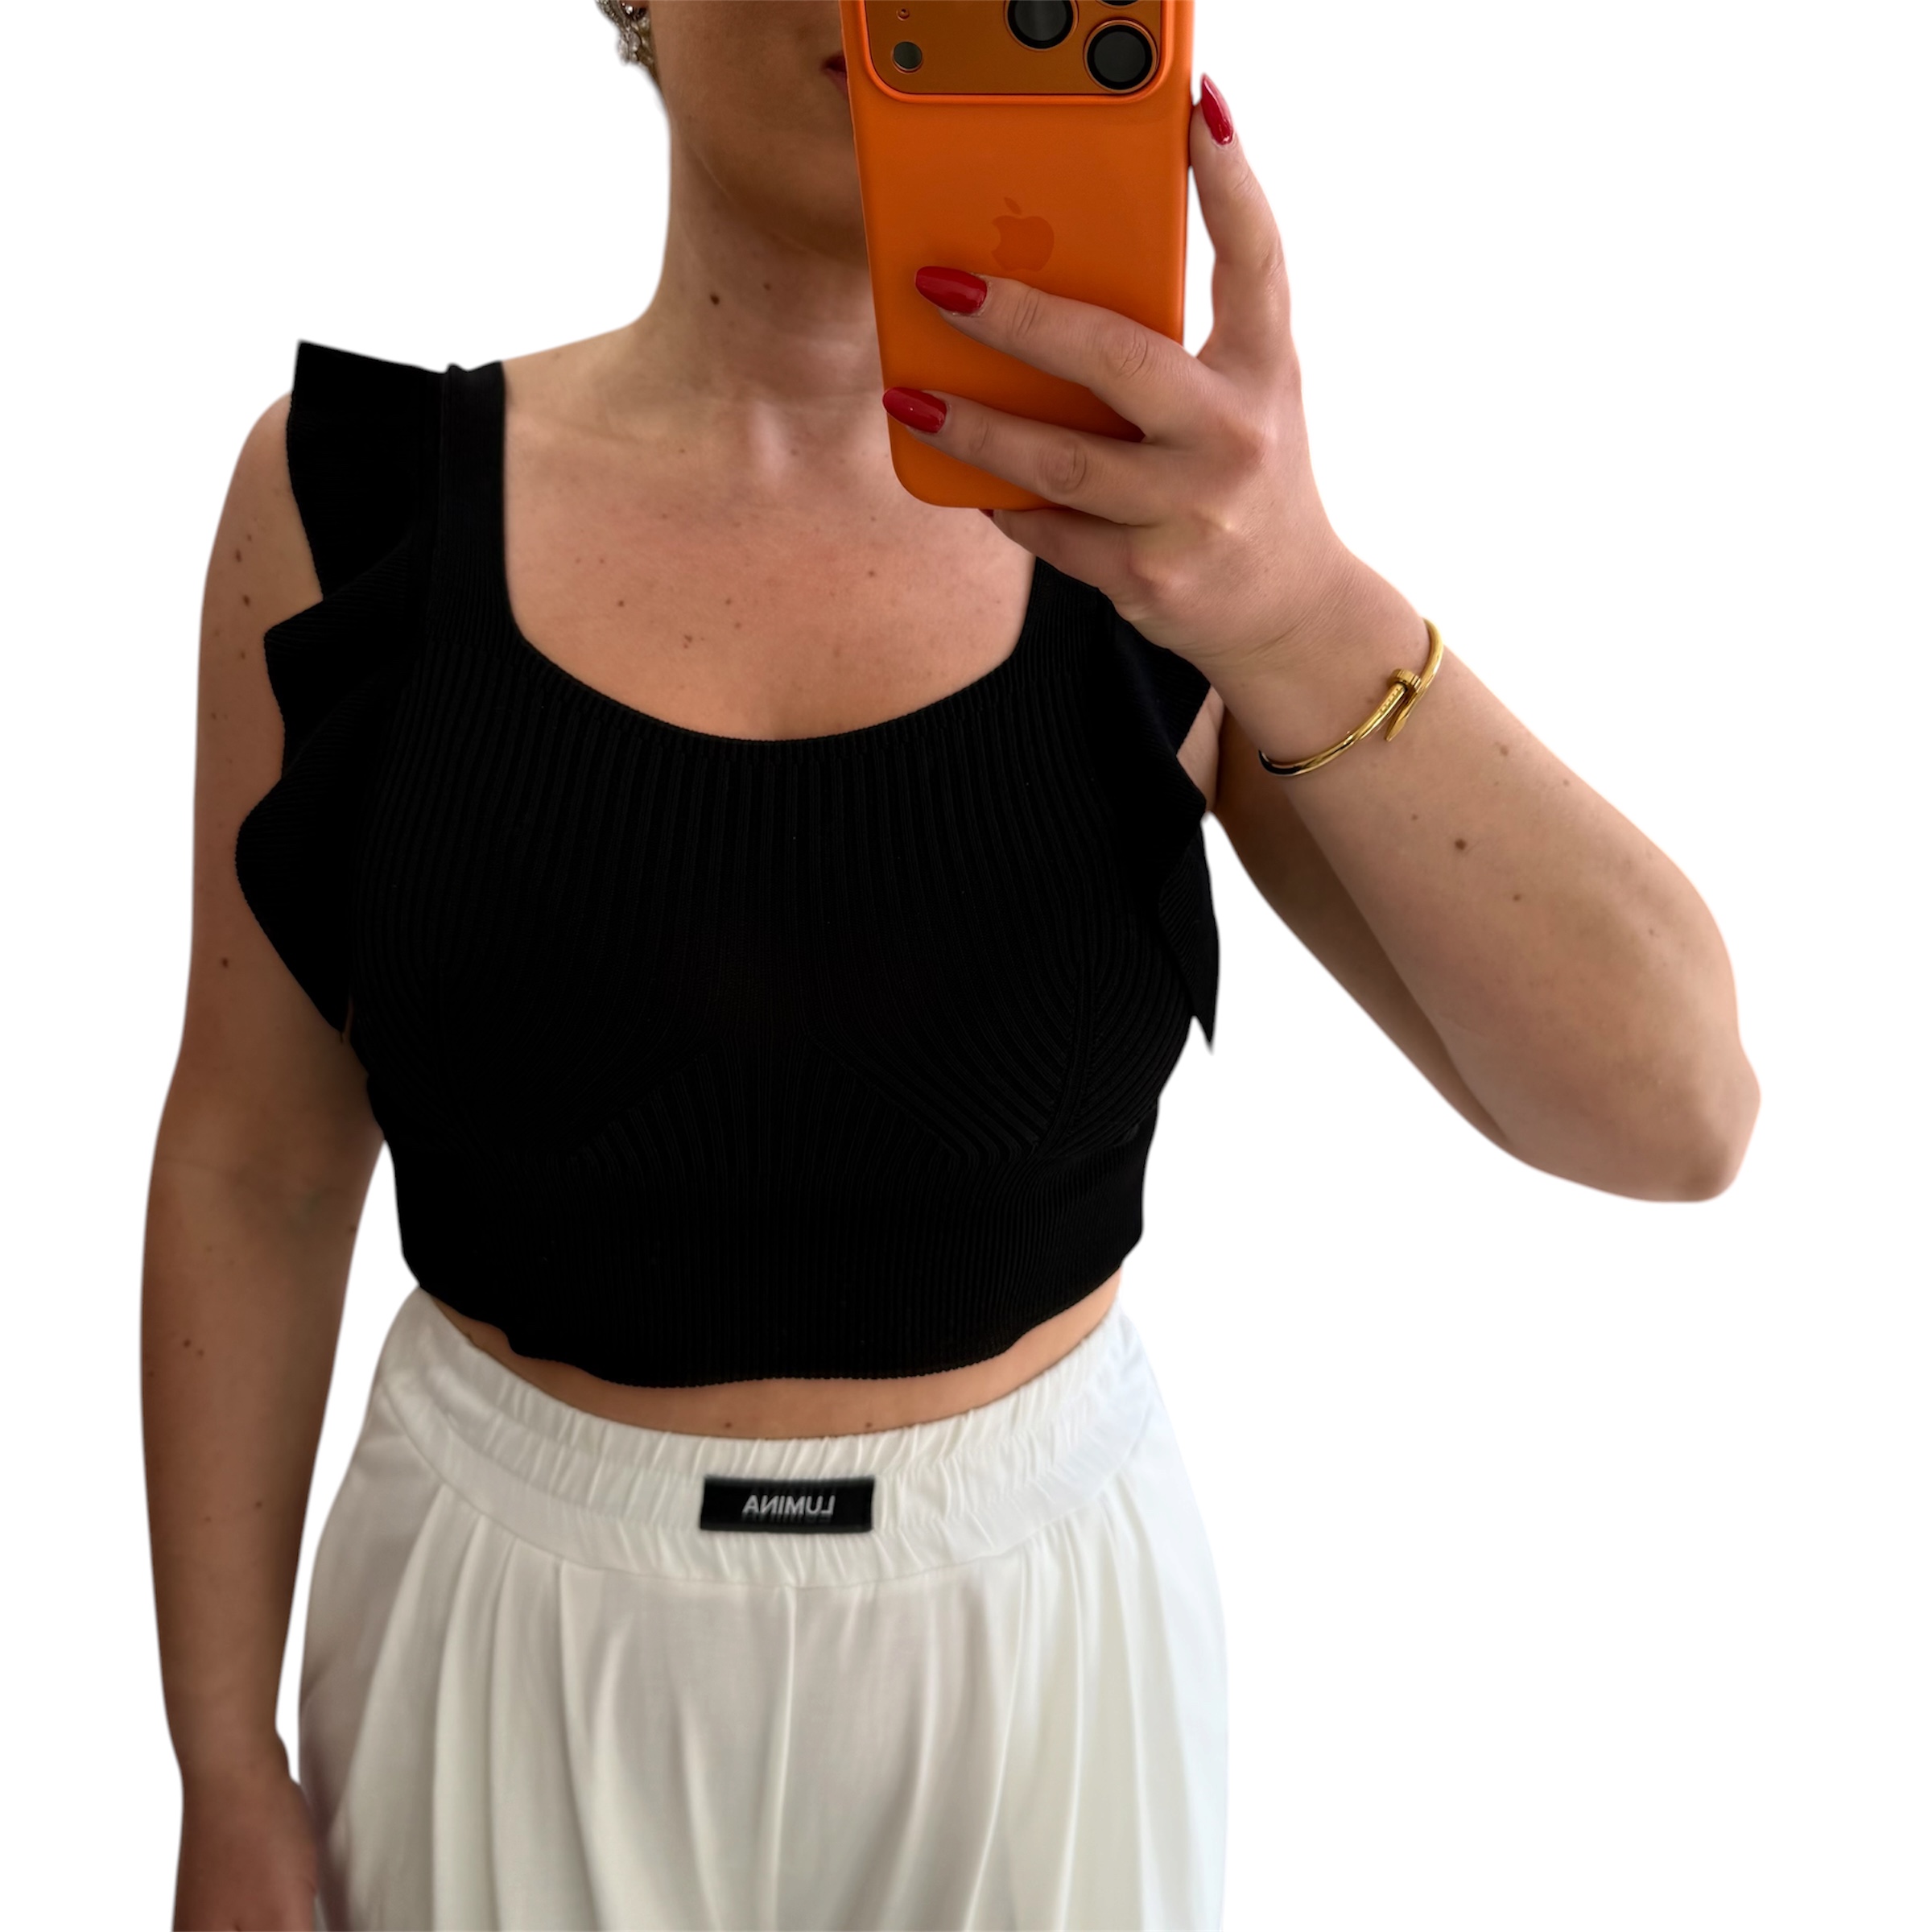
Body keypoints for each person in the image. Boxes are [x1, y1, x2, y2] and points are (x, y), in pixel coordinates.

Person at [142, 4, 1760, 1927]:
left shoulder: (1174, 545)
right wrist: (221, 1757)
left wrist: (1300, 603)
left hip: (1035, 1659)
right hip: (489, 1627)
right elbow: (255, 1158)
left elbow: (1677, 1116)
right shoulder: (348, 507)